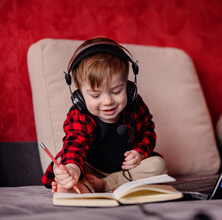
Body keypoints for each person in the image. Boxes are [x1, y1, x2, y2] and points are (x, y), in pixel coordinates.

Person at [41, 37, 166, 194]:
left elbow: (147, 130)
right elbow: (75, 144)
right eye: (95, 95)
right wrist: (72, 168)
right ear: (79, 95)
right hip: (89, 168)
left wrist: (139, 153)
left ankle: (105, 184)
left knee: (158, 165)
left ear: (129, 87)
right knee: (60, 163)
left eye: (116, 91)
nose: (107, 101)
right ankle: (77, 184)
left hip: (124, 171)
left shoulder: (134, 105)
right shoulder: (80, 114)